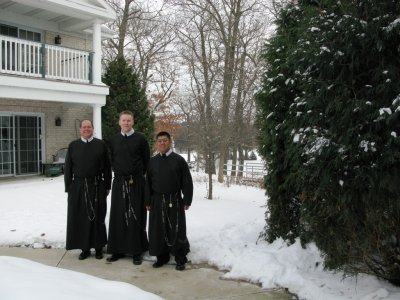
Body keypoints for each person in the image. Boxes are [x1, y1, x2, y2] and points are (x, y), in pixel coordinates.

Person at [145, 131, 193, 271]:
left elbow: (187, 181)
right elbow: (147, 183)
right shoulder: (152, 161)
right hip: (157, 200)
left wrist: (187, 200)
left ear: (170, 142)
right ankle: (162, 256)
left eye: (165, 140)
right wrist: (148, 201)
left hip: (174, 200)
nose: (162, 143)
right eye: (159, 141)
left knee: (176, 228)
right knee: (159, 229)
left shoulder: (179, 160)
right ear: (156, 143)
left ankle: (179, 257)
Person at [64, 119, 112, 260]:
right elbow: (68, 168)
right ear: (80, 129)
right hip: (78, 187)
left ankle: (98, 248)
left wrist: (107, 186)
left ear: (93, 128)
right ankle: (84, 248)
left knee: (97, 217)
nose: (86, 129)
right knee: (81, 218)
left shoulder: (100, 145)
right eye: (84, 127)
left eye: (89, 127)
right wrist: (69, 188)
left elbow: (107, 168)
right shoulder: (73, 145)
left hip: (96, 185)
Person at [107, 110, 150, 265]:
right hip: (119, 183)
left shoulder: (141, 139)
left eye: (129, 120)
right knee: (118, 216)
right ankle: (117, 249)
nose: (126, 123)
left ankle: (136, 251)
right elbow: (111, 160)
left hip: (136, 183)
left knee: (135, 216)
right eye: (124, 120)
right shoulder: (113, 140)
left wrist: (138, 178)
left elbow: (146, 161)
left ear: (133, 122)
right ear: (119, 122)